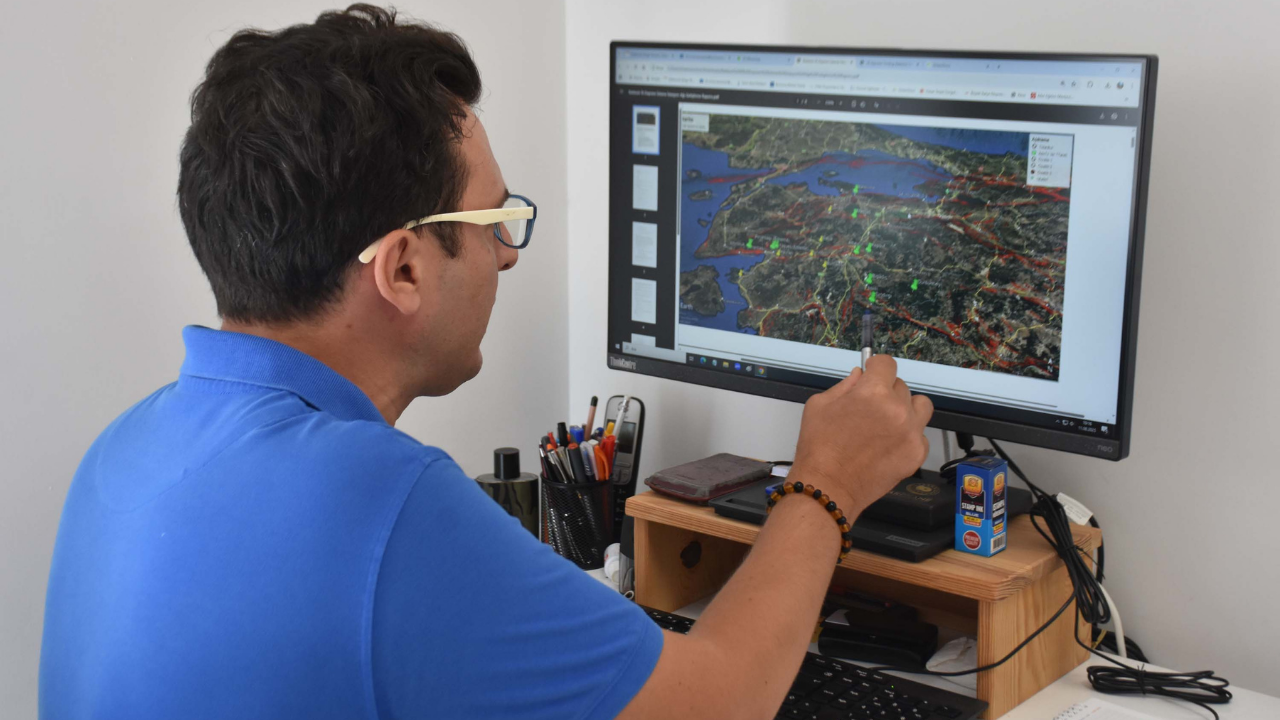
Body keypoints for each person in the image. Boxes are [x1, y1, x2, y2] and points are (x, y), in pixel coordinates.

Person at [38, 5, 932, 719]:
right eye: (494, 222)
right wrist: (825, 484)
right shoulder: (384, 503)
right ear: (401, 268)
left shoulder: (124, 450)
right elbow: (720, 702)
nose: (507, 255)